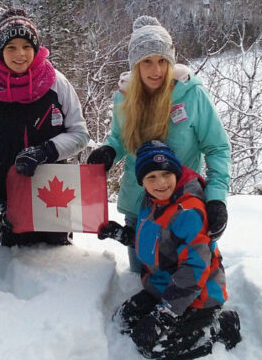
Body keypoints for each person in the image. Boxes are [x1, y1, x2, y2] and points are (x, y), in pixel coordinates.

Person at [87, 15, 230, 272]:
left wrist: (216, 198)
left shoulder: (191, 95)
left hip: (181, 207)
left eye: (163, 61)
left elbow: (217, 147)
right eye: (147, 62)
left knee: (184, 280)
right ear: (135, 66)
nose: (157, 71)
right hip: (138, 205)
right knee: (142, 280)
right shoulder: (124, 98)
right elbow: (120, 138)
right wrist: (110, 150)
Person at [98, 141, 241, 359]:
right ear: (142, 182)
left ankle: (221, 326)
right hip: (164, 287)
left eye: (166, 173)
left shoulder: (189, 211)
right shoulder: (150, 201)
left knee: (154, 349)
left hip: (198, 294)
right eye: (151, 177)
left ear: (176, 172)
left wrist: (164, 315)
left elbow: (193, 270)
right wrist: (124, 235)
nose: (161, 183)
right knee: (123, 321)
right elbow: (158, 242)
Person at [0, 8, 90, 246]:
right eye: (11, 47)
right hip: (7, 201)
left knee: (57, 264)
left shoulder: (57, 83)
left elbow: (80, 134)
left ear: (36, 49)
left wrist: (46, 151)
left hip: (53, 198)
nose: (20, 54)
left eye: (26, 46)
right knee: (12, 269)